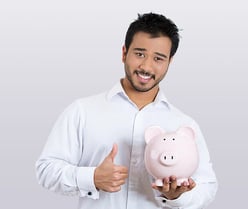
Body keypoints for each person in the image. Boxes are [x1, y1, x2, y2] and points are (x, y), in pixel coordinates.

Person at [35, 12, 218, 209]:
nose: (146, 66)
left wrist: (176, 197)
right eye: (139, 54)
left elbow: (207, 186)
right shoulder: (82, 111)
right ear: (124, 53)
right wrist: (92, 177)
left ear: (169, 62)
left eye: (158, 58)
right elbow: (46, 170)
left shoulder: (184, 124)